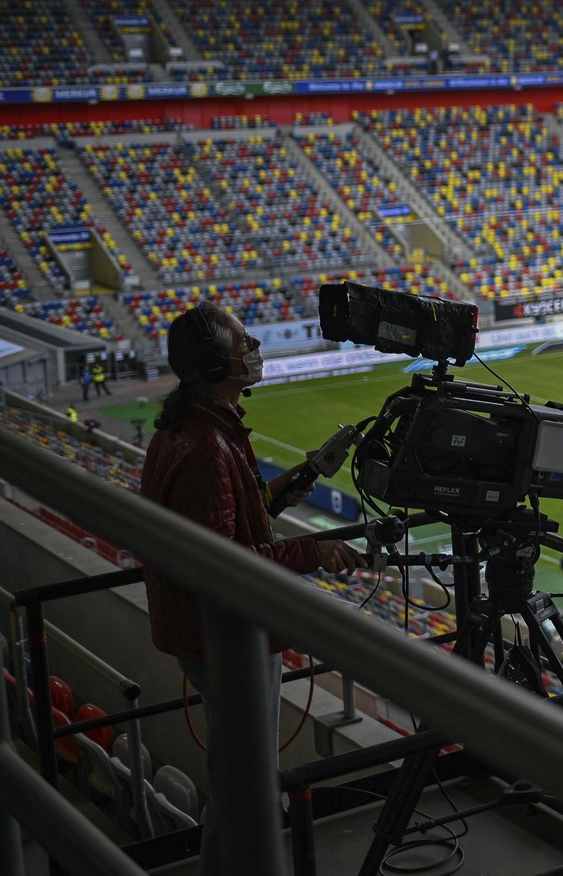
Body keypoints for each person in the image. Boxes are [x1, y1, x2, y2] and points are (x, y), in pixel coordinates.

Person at [140, 301, 366, 875]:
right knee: (245, 786)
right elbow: (229, 561)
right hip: (225, 635)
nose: (255, 352)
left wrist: (272, 496)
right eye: (245, 345)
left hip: (205, 629)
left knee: (239, 779)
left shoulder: (193, 429)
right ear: (216, 365)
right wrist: (314, 551)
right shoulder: (208, 448)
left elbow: (215, 527)